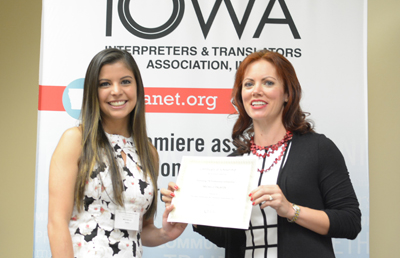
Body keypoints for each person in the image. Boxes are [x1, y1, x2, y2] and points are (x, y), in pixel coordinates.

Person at [161, 50, 361, 258]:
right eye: (248, 84)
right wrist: (191, 209)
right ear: (241, 95)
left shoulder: (318, 148)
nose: (256, 91)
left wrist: (291, 210)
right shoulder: (235, 163)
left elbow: (350, 222)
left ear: (287, 93)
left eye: (268, 82)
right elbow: (228, 238)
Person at [48, 48, 186, 258]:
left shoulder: (149, 152)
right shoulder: (76, 140)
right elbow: (56, 222)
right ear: (93, 92)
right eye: (105, 84)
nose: (116, 91)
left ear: (137, 88)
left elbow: (141, 229)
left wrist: (166, 233)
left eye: (125, 81)